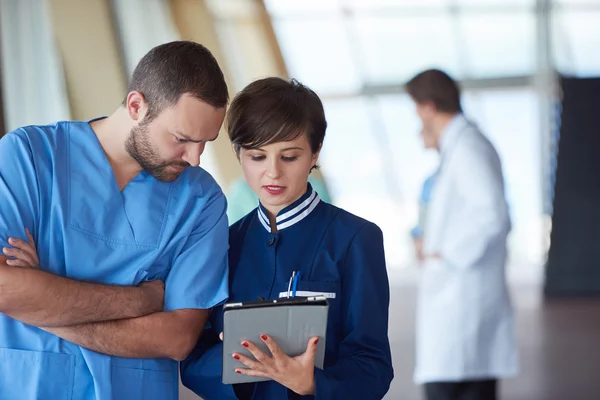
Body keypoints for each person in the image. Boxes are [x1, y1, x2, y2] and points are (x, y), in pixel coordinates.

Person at [0, 41, 230, 399]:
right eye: (182, 139)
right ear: (137, 106)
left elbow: (177, 338)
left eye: (205, 142)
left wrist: (41, 303)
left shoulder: (201, 200)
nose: (195, 159)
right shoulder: (28, 157)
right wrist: (139, 301)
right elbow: (4, 287)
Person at [180, 77, 394, 399]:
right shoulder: (221, 245)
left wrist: (310, 383)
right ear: (238, 154)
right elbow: (192, 358)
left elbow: (373, 364)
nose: (273, 172)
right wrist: (238, 361)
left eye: (289, 157)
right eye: (257, 157)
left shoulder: (356, 240)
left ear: (315, 152)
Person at [406, 69, 518, 400]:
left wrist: (445, 252)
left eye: (414, 107)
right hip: (457, 298)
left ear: (427, 106)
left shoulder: (468, 147)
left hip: (461, 296)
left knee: (455, 386)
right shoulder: (459, 147)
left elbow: (493, 215)